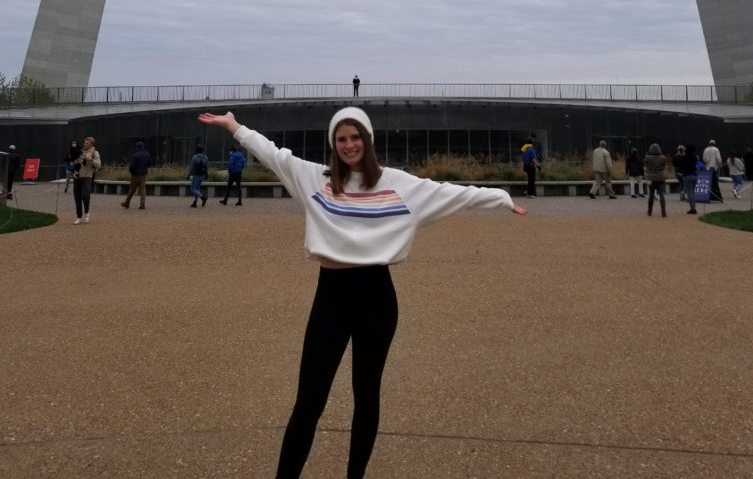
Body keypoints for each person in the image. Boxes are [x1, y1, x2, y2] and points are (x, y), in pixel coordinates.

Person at [197, 105, 528, 479]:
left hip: (376, 298)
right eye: (341, 138)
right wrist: (234, 126)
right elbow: (273, 153)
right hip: (331, 297)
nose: (349, 145)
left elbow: (453, 194)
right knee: (309, 400)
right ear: (333, 143)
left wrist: (500, 198)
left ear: (367, 141)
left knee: (366, 396)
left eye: (356, 137)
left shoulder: (399, 184)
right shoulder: (313, 179)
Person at [72, 136, 101, 224]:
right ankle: (78, 217)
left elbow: (99, 165)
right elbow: (73, 162)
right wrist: (76, 161)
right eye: (84, 143)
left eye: (86, 143)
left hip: (87, 177)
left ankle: (87, 213)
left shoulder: (94, 153)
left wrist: (91, 159)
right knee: (77, 198)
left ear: (91, 144)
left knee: (85, 196)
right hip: (77, 177)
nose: (84, 144)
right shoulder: (80, 151)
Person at [121, 141, 152, 209]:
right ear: (143, 146)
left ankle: (127, 203)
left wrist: (131, 171)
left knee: (132, 189)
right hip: (144, 174)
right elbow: (149, 164)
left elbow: (132, 165)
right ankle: (142, 204)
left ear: (137, 147)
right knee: (143, 190)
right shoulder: (147, 154)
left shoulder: (135, 155)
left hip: (135, 175)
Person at [643, 143, 667, 217]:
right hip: (661, 177)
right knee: (661, 194)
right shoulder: (663, 158)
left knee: (651, 194)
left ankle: (649, 211)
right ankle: (663, 211)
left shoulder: (647, 158)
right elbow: (663, 167)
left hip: (651, 178)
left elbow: (646, 166)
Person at [680, 145, 699, 214]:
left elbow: (680, 163)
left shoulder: (684, 157)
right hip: (694, 175)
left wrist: (682, 154)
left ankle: (692, 208)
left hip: (687, 175)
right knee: (693, 192)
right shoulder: (695, 157)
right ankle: (694, 207)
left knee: (689, 192)